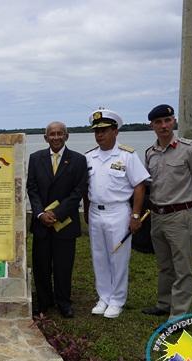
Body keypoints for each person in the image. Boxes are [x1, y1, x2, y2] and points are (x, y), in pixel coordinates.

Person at [141, 104, 192, 320]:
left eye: (167, 120)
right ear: (151, 125)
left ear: (174, 122)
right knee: (164, 264)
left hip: (179, 216)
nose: (163, 126)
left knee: (182, 267)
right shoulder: (150, 153)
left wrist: (184, 205)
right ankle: (164, 303)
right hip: (157, 216)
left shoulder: (190, 150)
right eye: (158, 122)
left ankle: (178, 315)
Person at [83, 110, 149, 318]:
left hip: (118, 211)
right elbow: (86, 189)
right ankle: (104, 296)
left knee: (118, 256)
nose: (99, 135)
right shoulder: (89, 157)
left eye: (104, 130)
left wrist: (136, 216)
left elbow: (139, 186)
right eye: (97, 131)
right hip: (95, 212)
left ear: (115, 131)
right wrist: (86, 212)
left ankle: (117, 300)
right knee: (99, 256)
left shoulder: (127, 155)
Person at [27, 121, 88, 318]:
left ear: (66, 136)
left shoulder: (78, 160)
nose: (56, 137)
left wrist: (57, 213)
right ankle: (44, 302)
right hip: (41, 223)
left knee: (63, 265)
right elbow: (32, 189)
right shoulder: (35, 158)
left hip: (66, 223)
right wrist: (40, 214)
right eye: (51, 134)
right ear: (45, 138)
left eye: (60, 133)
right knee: (41, 265)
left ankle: (64, 302)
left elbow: (78, 191)